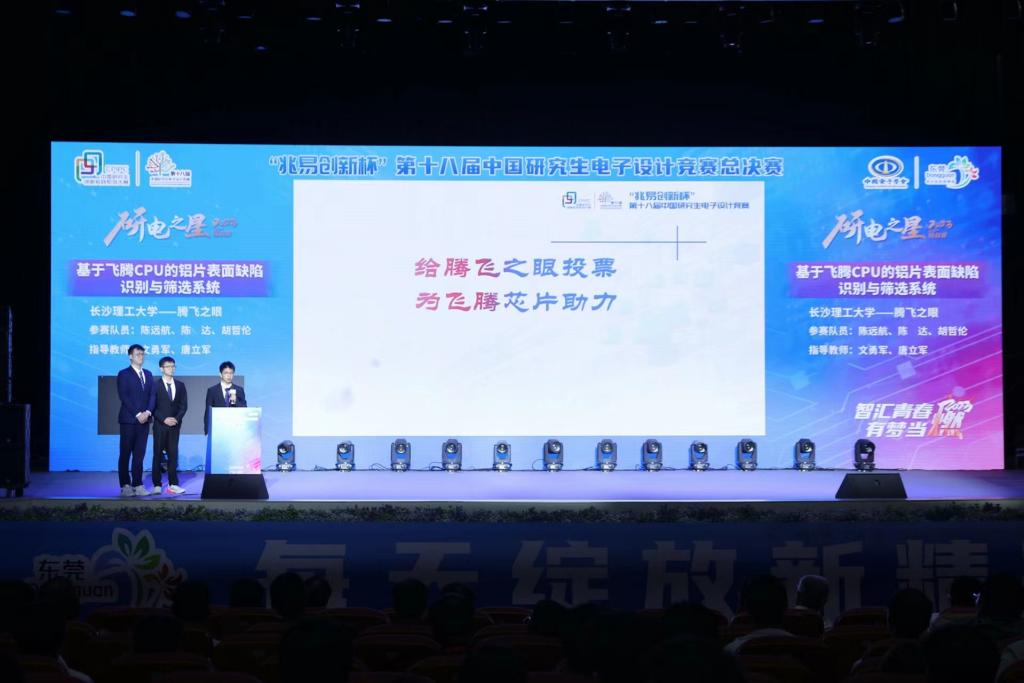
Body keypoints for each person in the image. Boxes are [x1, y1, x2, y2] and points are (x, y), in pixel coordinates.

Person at [116, 344, 155, 497]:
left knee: (139, 454)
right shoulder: (123, 374)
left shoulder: (148, 374)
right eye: (138, 354)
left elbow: (152, 395)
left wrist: (148, 412)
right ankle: (125, 485)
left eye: (142, 354)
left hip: (144, 420)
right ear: (130, 356)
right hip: (129, 419)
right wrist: (138, 414)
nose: (141, 357)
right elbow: (124, 396)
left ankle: (138, 484)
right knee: (125, 453)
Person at [152, 356, 188, 495]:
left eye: (173, 366)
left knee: (173, 454)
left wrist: (176, 419)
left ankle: (173, 484)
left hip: (174, 425)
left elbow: (183, 406)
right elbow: (152, 406)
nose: (171, 369)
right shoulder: (155, 385)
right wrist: (164, 419)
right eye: (168, 366)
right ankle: (157, 484)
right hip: (160, 425)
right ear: (161, 369)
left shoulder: (180, 385)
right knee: (157, 454)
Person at [203, 360, 247, 436]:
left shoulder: (239, 390)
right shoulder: (212, 391)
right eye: (226, 373)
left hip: (236, 430)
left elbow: (244, 409)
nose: (229, 376)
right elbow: (208, 412)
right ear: (220, 374)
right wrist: (207, 430)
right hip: (218, 429)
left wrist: (236, 400)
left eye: (231, 373)